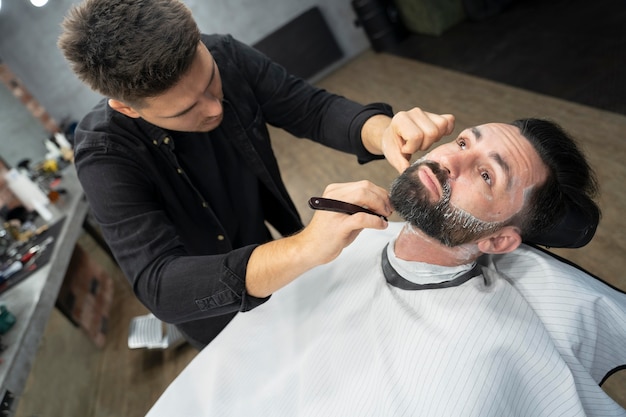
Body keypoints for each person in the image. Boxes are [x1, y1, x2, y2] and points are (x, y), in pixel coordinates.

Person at [145, 119, 626, 417]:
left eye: (485, 174)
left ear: (499, 240)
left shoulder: (478, 360)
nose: (447, 162)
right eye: (463, 142)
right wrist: (303, 248)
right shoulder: (335, 245)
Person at [57, 0, 455, 348]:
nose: (214, 108)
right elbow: (160, 282)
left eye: (211, 82)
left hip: (272, 268)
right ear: (128, 108)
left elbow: (311, 109)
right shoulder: (105, 155)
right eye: (184, 110)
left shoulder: (225, 54)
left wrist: (384, 132)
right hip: (215, 320)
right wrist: (303, 248)